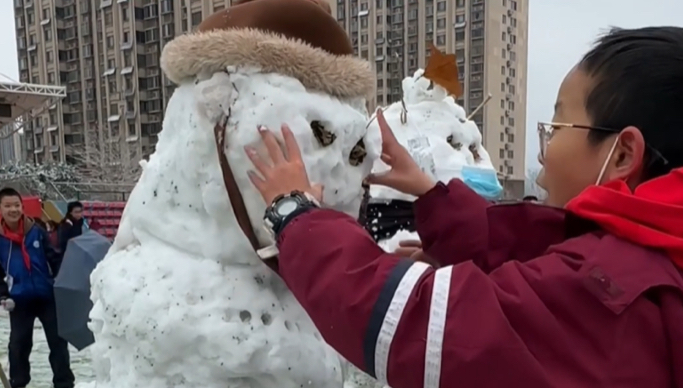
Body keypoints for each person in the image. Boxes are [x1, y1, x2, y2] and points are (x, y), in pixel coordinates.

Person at [243, 26, 683, 387]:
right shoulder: (652, 254)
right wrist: (432, 194)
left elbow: (422, 324)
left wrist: (296, 215)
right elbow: (533, 247)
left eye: (556, 125)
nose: (545, 152)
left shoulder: (617, 288)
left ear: (623, 155)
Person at [0, 188, 74, 388]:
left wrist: (62, 278)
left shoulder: (36, 231)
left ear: (22, 206)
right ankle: (18, 384)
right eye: (8, 206)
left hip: (47, 296)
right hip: (19, 300)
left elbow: (53, 258)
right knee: (19, 346)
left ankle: (64, 384)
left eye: (17, 205)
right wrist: (2, 295)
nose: (14, 209)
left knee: (58, 344)